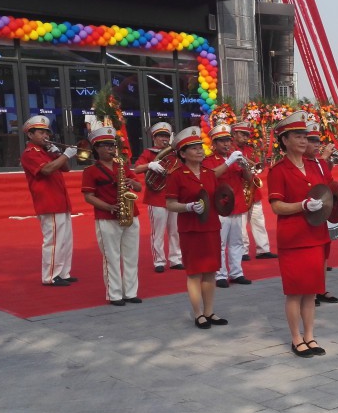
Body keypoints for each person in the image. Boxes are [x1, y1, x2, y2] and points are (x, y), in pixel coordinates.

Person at [268, 111, 331, 357]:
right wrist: (302, 206)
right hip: (293, 239)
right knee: (295, 291)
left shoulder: (314, 167)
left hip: (315, 236)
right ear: (284, 140)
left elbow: (324, 194)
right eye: (298, 136)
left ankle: (310, 336)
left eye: (305, 136)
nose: (304, 141)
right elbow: (276, 206)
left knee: (311, 290)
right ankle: (296, 338)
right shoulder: (279, 170)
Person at [164, 127, 229, 329]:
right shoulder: (176, 175)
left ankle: (209, 311)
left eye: (200, 146)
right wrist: (188, 207)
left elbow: (216, 198)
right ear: (182, 154)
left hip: (210, 226)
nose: (199, 151)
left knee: (210, 271)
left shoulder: (210, 174)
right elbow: (170, 204)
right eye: (193, 148)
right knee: (194, 273)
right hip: (190, 228)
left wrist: (225, 201)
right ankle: (198, 313)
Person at [80, 126, 142, 306]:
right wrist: (108, 207)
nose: (110, 148)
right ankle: (114, 294)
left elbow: (138, 188)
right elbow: (88, 197)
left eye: (112, 145)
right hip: (106, 218)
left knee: (131, 256)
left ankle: (130, 292)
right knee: (112, 258)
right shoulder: (90, 171)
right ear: (96, 148)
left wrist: (132, 183)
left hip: (130, 214)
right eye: (106, 145)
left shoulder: (122, 165)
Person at [20, 115, 77, 286]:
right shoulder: (30, 153)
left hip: (61, 200)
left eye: (47, 132)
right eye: (41, 132)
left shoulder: (47, 151)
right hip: (48, 202)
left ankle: (63, 273)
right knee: (53, 241)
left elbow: (65, 168)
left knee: (66, 240)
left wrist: (58, 153)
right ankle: (50, 276)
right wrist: (66, 155)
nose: (46, 136)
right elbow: (46, 170)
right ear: (30, 135)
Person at [302, 118, 338, 305]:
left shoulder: (320, 163)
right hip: (307, 214)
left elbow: (329, 183)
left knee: (323, 254)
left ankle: (320, 288)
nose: (316, 145)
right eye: (311, 141)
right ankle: (308, 291)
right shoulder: (301, 163)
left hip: (322, 214)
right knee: (308, 256)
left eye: (318, 141)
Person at [203, 124, 251, 289]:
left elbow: (249, 180)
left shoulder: (236, 157)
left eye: (228, 141)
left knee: (237, 242)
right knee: (220, 243)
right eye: (221, 141)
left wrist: (245, 167)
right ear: (214, 144)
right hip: (220, 208)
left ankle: (237, 273)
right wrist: (229, 162)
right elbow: (210, 177)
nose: (226, 144)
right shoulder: (209, 160)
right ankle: (220, 274)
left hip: (237, 204)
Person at [133, 121, 182, 273]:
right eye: (160, 136)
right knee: (158, 232)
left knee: (175, 231)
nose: (164, 139)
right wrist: (150, 165)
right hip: (156, 197)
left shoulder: (175, 154)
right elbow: (137, 168)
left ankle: (176, 259)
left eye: (166, 136)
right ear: (154, 138)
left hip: (174, 197)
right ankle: (159, 261)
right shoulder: (149, 153)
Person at [233, 122, 277, 262]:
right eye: (242, 134)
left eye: (247, 135)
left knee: (258, 220)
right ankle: (243, 251)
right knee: (241, 223)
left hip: (252, 188)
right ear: (234, 134)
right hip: (238, 189)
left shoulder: (250, 149)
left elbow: (258, 167)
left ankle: (263, 249)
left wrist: (260, 164)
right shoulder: (230, 150)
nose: (246, 137)